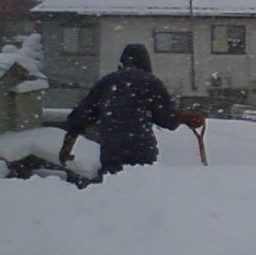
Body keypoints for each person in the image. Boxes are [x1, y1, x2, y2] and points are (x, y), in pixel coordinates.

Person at [58, 43, 204, 178]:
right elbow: (168, 120)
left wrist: (67, 146)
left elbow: (79, 117)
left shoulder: (107, 82)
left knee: (113, 186)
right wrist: (184, 117)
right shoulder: (151, 82)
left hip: (112, 147)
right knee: (141, 186)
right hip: (141, 146)